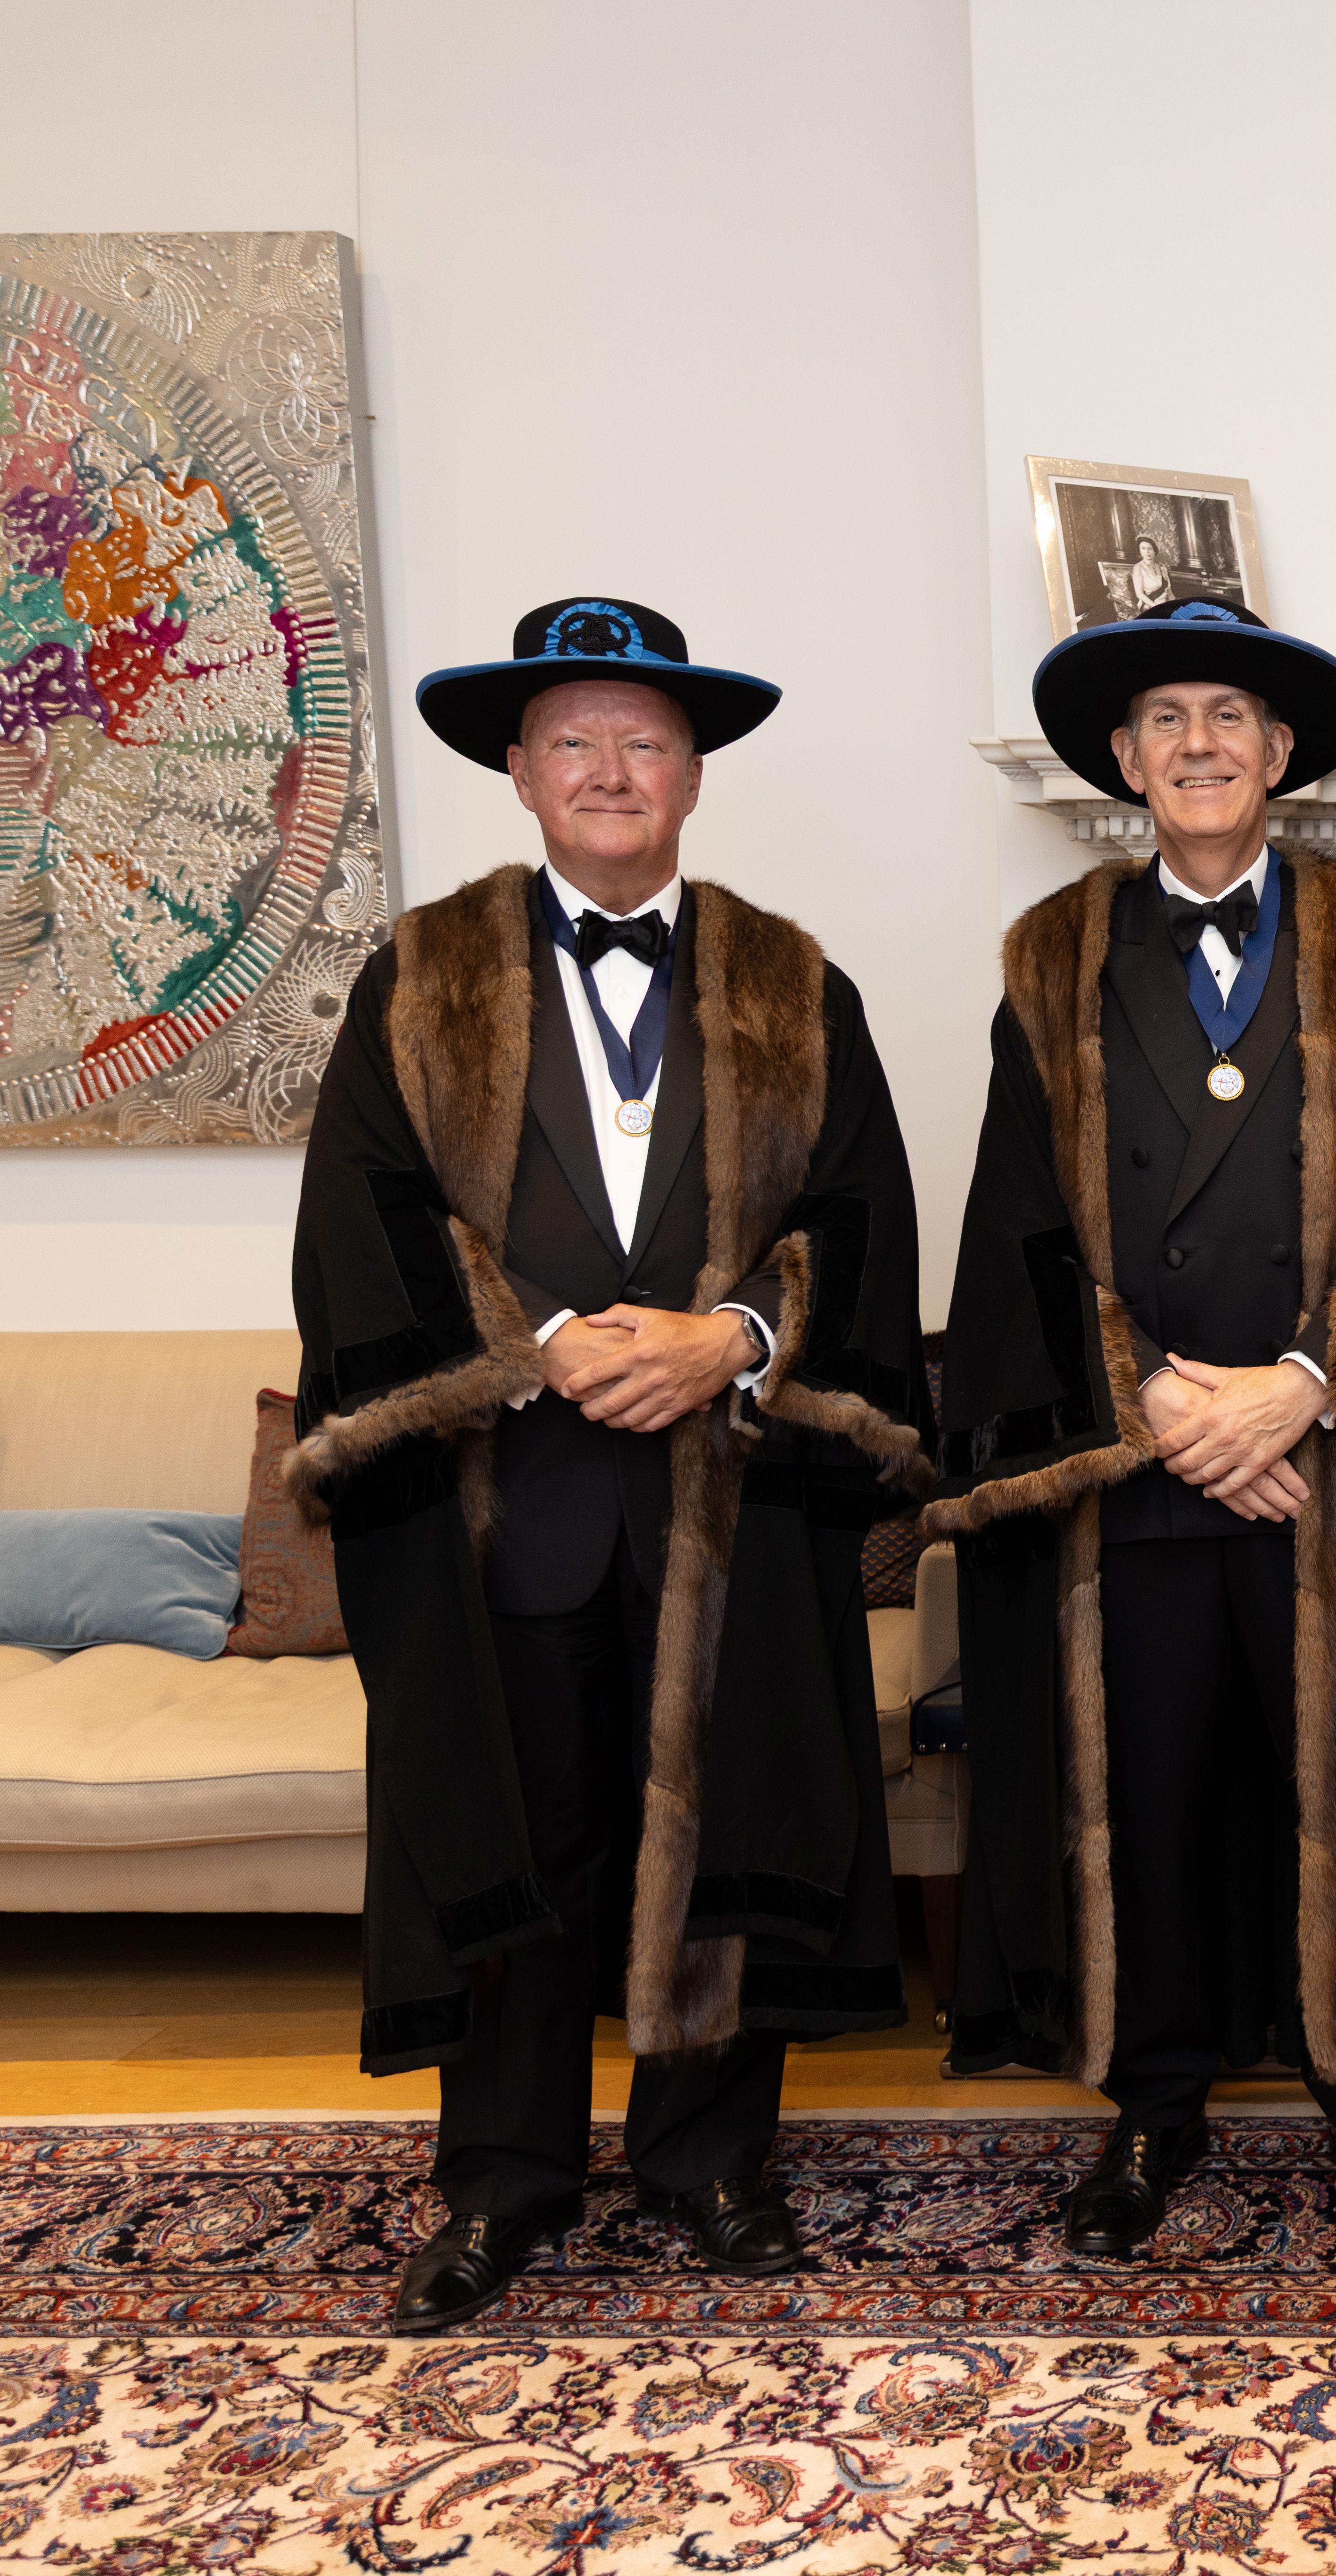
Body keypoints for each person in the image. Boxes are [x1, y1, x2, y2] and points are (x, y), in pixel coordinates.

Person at [288, 596, 929, 2333]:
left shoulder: (800, 981)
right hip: (511, 1499)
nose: (610, 769)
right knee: (514, 1831)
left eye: (645, 740)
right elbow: (362, 1218)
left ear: (696, 774)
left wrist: (737, 1337)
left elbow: (863, 1217)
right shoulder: (416, 979)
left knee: (724, 1825)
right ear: (516, 770)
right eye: (573, 738)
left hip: (733, 1488)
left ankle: (709, 2165)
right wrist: (547, 1347)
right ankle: (504, 2184)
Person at [929, 599, 1336, 2257]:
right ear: (1121, 758)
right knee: (1152, 1787)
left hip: (1319, 1457)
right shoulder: (1050, 956)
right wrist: (1162, 1401)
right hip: (1145, 1459)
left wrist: (1310, 1388)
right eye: (1166, 720)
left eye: (1230, 719)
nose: (1198, 744)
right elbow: (1020, 1217)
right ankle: (1153, 2104)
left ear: (1283, 756)